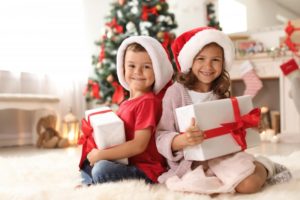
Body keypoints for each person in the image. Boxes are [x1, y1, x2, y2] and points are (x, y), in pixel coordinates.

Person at [156, 27, 292, 194]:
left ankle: (266, 165)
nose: (208, 66)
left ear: (223, 62)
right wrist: (182, 140)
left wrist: (251, 126)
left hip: (225, 158)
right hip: (190, 164)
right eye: (201, 59)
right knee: (194, 189)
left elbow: (232, 128)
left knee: (248, 185)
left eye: (215, 60)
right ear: (190, 61)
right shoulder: (175, 92)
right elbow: (161, 136)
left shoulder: (220, 91)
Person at [79, 35, 174, 185]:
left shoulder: (148, 102)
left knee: (101, 169)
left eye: (147, 67)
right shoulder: (126, 103)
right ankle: (90, 179)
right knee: (88, 161)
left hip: (144, 168)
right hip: (125, 162)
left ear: (157, 71)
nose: (138, 72)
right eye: (131, 66)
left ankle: (92, 179)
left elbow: (139, 145)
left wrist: (102, 155)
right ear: (122, 68)